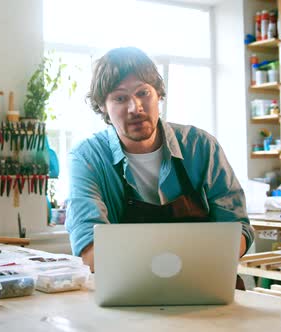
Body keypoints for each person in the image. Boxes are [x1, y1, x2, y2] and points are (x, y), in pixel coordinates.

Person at [65, 47, 254, 276]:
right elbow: (90, 250)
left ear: (159, 94)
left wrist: (188, 268)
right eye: (120, 98)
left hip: (206, 283)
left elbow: (237, 230)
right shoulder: (87, 158)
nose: (136, 108)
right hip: (128, 292)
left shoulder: (201, 147)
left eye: (143, 93)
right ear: (103, 106)